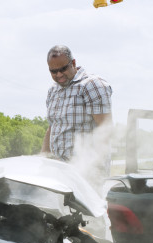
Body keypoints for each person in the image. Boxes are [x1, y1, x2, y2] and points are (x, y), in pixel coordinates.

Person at [41, 45, 113, 186]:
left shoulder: (92, 85)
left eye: (63, 69)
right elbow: (52, 128)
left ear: (73, 63)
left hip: (87, 173)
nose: (59, 75)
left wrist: (87, 167)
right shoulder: (52, 91)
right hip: (59, 172)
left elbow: (106, 130)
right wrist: (43, 159)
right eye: (53, 71)